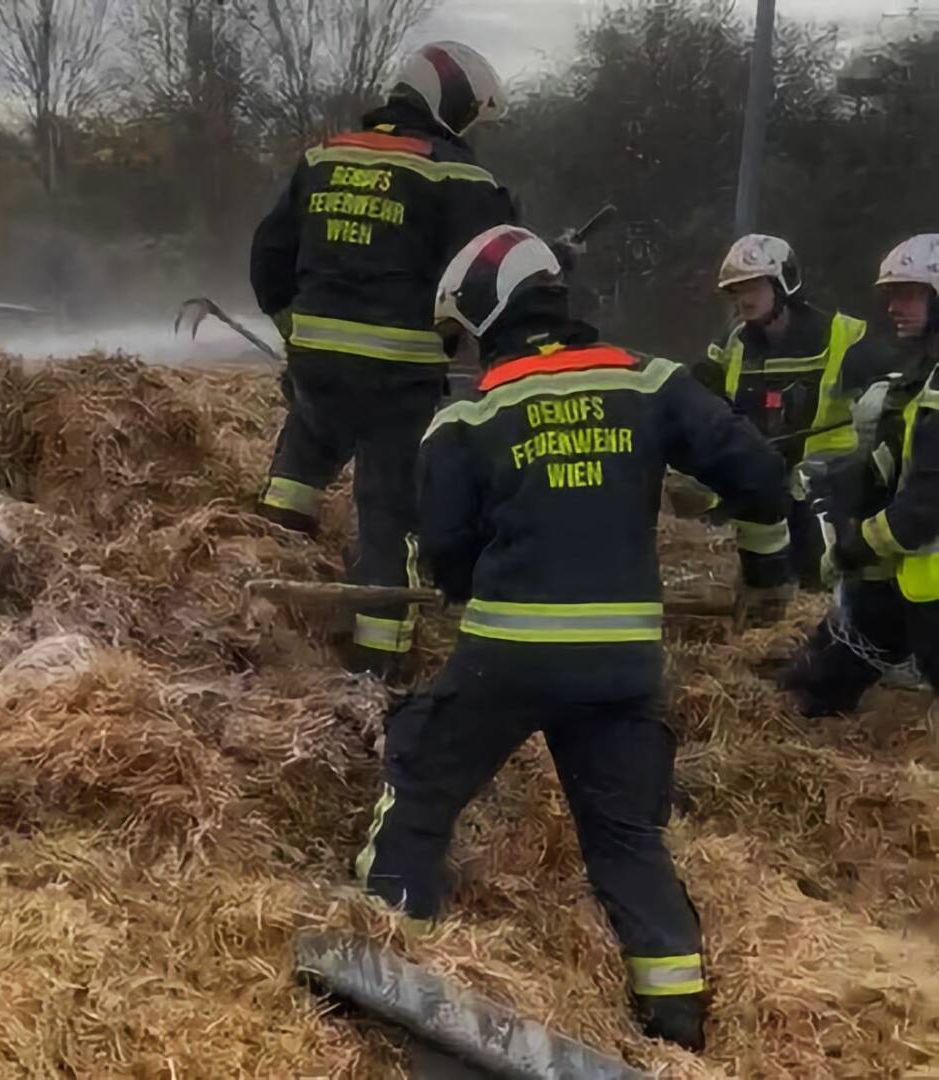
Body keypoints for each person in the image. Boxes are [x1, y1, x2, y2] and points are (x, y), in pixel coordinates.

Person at [354, 225, 794, 1051]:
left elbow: (445, 555)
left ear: (489, 314)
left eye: (466, 334)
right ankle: (674, 1029)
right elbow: (762, 477)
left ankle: (387, 979)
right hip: (624, 667)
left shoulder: (470, 414)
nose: (467, 350)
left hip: (508, 659)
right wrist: (767, 575)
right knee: (626, 838)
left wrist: (473, 577)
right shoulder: (651, 381)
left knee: (419, 792)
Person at [249, 42, 516, 676]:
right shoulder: (457, 176)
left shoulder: (323, 156)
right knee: (390, 509)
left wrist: (296, 330)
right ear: (449, 103)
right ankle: (379, 662)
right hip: (397, 376)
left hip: (316, 365)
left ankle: (259, 586)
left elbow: (267, 257)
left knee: (298, 468)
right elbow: (496, 268)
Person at [783, 235, 939, 715]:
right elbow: (903, 461)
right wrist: (849, 484)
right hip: (916, 579)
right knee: (841, 654)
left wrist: (857, 545)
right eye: (891, 294)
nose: (894, 306)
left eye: (909, 293)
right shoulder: (924, 376)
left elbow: (923, 508)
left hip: (922, 570)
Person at [689, 234, 886, 588]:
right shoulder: (732, 342)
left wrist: (881, 394)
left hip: (826, 490)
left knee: (821, 580)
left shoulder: (843, 336)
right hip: (758, 486)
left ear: (783, 284)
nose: (742, 298)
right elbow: (697, 395)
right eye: (735, 290)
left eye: (751, 286)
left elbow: (897, 396)